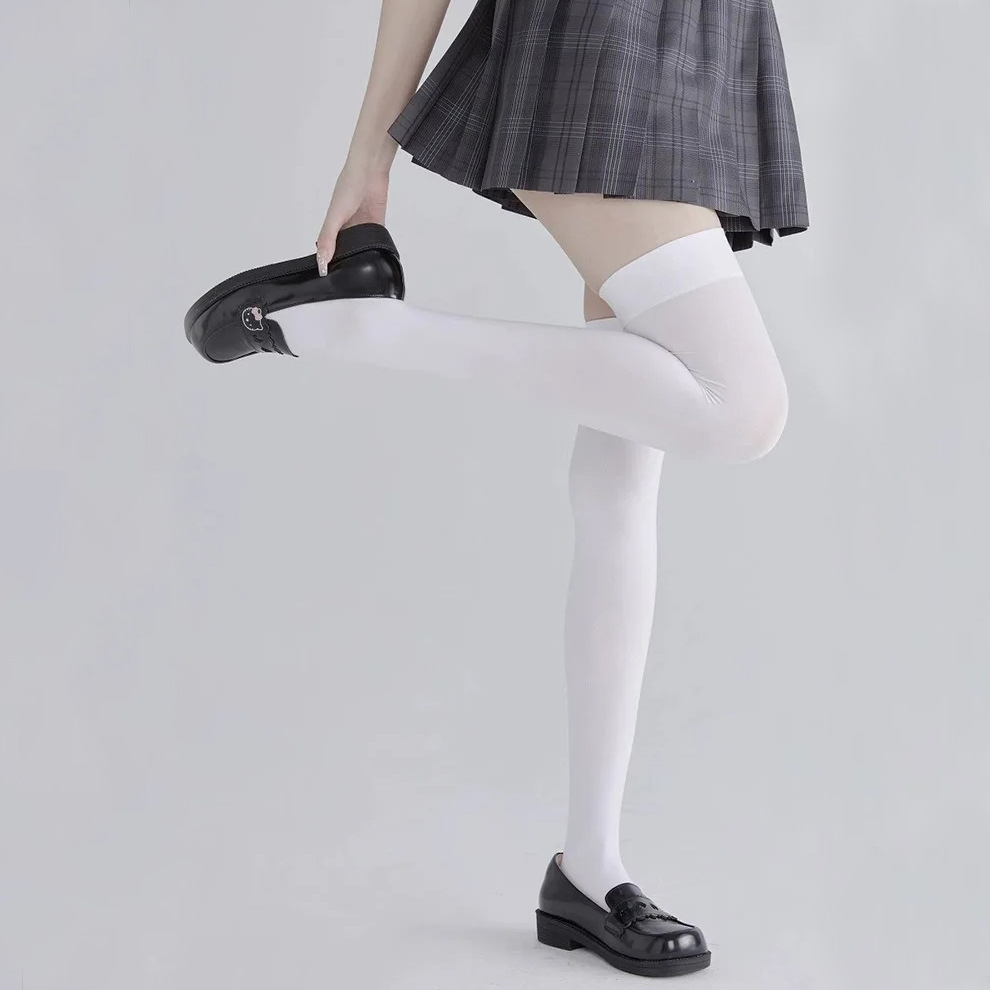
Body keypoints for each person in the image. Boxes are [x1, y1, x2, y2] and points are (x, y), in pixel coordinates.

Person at [185, 0, 809, 976]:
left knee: (621, 474)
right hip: (605, 38)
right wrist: (368, 156)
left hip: (706, 45)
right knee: (741, 409)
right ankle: (345, 328)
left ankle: (589, 869)